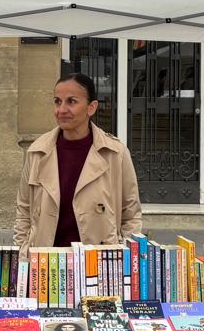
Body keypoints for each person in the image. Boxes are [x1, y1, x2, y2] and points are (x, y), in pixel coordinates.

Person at [14, 73, 142, 250]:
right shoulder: (37, 152)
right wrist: (24, 254)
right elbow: (24, 211)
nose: (61, 109)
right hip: (46, 265)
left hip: (99, 263)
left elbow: (131, 214)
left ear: (92, 107)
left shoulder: (115, 153)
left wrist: (123, 258)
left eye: (71, 101)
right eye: (57, 101)